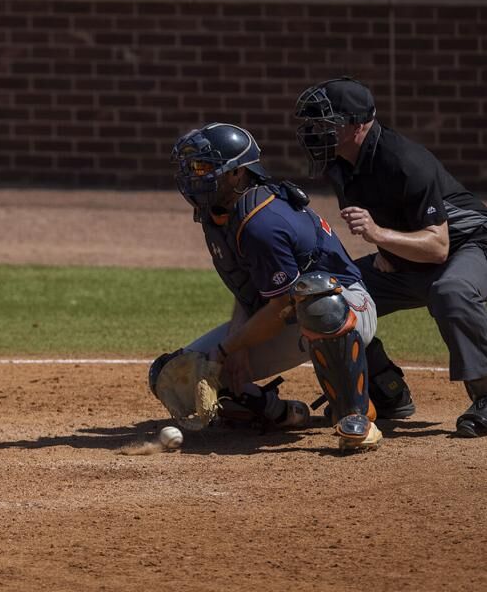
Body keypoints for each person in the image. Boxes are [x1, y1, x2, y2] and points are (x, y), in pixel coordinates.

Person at [150, 123, 395, 451]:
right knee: (174, 373)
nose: (195, 176)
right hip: (288, 314)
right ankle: (278, 413)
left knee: (317, 303)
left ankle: (357, 416)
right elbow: (250, 291)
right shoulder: (218, 214)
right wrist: (234, 343)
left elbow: (282, 306)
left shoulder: (262, 222)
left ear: (237, 174)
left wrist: (230, 349)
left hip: (344, 306)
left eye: (205, 168)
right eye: (192, 168)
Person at [293, 77, 487, 438]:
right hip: (411, 259)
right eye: (314, 124)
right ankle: (386, 390)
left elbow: (439, 246)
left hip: (469, 247)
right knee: (330, 299)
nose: (316, 132)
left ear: (358, 124)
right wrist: (388, 249)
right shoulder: (341, 165)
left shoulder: (405, 161)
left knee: (451, 292)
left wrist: (381, 237)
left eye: (326, 124)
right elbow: (390, 213)